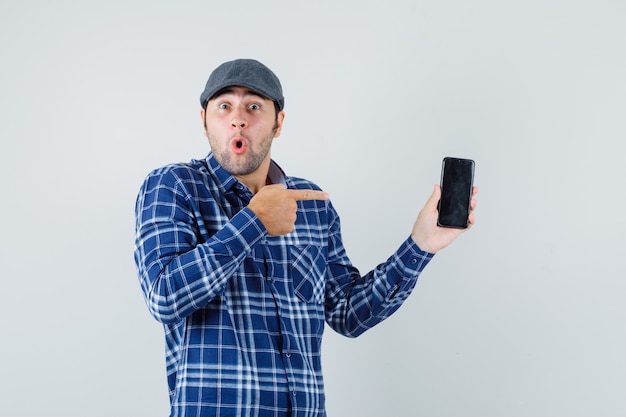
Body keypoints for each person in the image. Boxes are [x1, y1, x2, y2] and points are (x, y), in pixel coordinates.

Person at [134, 58, 477, 417]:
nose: (238, 118)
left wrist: (420, 245)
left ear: (278, 123)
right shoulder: (173, 186)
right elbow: (164, 296)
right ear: (203, 120)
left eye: (254, 106)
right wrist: (254, 221)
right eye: (224, 106)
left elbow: (348, 314)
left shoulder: (311, 205)